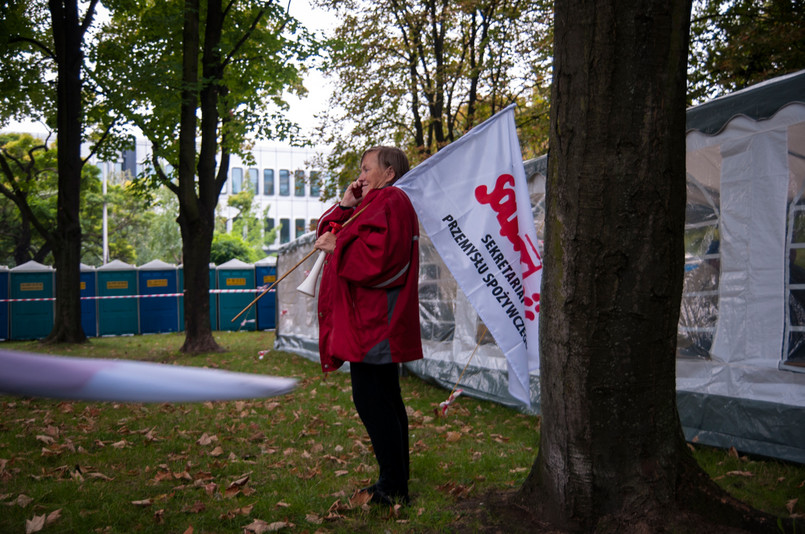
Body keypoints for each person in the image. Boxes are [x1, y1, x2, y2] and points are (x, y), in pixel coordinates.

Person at [314, 146, 422, 505]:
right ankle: (395, 481)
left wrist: (338, 245)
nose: (359, 176)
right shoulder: (373, 203)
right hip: (369, 319)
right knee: (386, 399)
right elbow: (331, 232)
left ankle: (392, 487)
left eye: (366, 169)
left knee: (372, 400)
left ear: (388, 172)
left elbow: (382, 258)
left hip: (376, 321)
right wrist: (345, 206)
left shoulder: (392, 200)